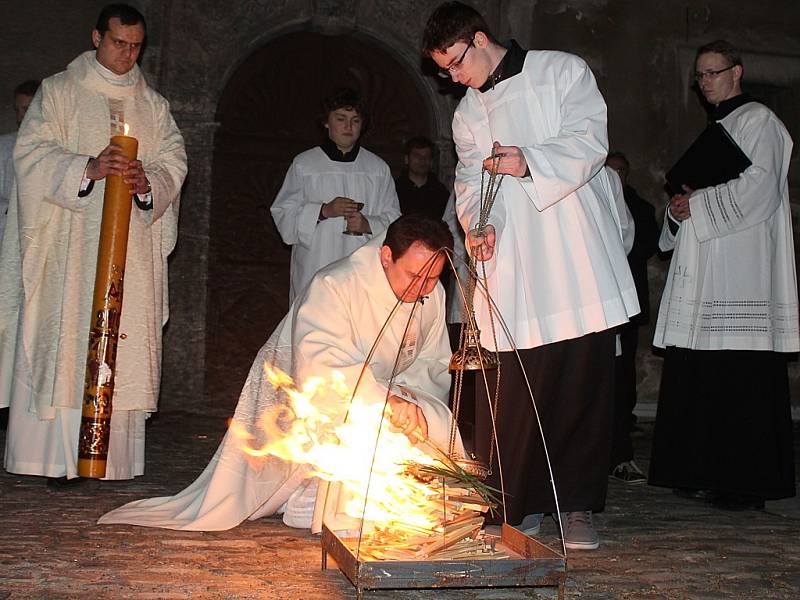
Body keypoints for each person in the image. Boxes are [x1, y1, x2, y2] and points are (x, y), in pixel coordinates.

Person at [422, 2, 639, 550]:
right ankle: (519, 503)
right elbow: (469, 184)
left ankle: (576, 507)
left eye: (454, 64)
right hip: (515, 259)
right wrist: (477, 228)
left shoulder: (562, 70)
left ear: (479, 38)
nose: (452, 78)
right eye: (445, 70)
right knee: (519, 388)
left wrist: (530, 161)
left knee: (579, 383)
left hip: (572, 250)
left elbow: (590, 142)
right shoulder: (468, 114)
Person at [99, 214, 459, 532]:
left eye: (434, 278)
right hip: (306, 395)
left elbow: (432, 363)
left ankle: (427, 507)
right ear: (385, 257)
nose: (424, 288)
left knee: (435, 419)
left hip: (385, 392)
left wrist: (410, 398)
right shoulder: (336, 285)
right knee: (367, 421)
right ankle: (318, 501)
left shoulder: (432, 293)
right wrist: (384, 400)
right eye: (415, 275)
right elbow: (321, 364)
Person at [0, 3, 187, 482]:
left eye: (136, 46)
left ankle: (111, 463)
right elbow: (32, 152)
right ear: (96, 37)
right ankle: (54, 459)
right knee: (66, 337)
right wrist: (87, 167)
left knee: (119, 344)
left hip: (131, 253)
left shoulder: (153, 105)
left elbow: (175, 161)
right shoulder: (59, 92)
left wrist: (149, 183)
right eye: (119, 43)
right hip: (71, 246)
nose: (128, 55)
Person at [649, 40, 798, 511]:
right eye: (700, 75)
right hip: (707, 264)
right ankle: (700, 471)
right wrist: (677, 210)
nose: (706, 82)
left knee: (738, 373)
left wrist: (700, 203)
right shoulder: (717, 128)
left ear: (738, 72)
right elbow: (694, 195)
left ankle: (745, 482)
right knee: (702, 371)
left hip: (741, 269)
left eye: (714, 72)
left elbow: (761, 189)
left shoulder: (760, 122)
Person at [271, 88, 401, 302]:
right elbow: (283, 214)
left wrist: (367, 224)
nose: (348, 127)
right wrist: (322, 211)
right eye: (341, 119)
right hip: (315, 268)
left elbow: (394, 221)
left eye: (355, 120)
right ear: (326, 122)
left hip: (361, 276)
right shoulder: (305, 164)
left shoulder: (377, 169)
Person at [605, 151, 658, 484]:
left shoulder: (639, 207)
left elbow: (639, 244)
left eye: (621, 172)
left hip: (625, 305)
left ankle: (620, 451)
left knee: (622, 377)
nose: (616, 177)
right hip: (597, 304)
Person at [0, 80, 40, 247]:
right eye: (18, 110)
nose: (21, 117)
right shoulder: (4, 145)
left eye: (26, 109)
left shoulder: (59, 147)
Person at [395, 136, 450, 219]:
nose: (422, 160)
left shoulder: (440, 192)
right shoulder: (395, 190)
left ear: (431, 162)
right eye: (417, 155)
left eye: (426, 156)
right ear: (407, 159)